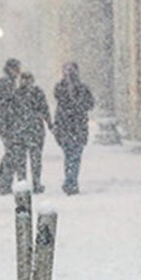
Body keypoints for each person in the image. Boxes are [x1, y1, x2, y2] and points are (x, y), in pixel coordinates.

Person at [53, 62, 94, 195]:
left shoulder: (62, 88)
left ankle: (70, 181)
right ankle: (71, 182)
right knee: (74, 157)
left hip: (69, 127)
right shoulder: (79, 89)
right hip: (75, 127)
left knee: (70, 156)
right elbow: (89, 104)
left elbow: (88, 104)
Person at [10, 72, 53, 194]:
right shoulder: (36, 93)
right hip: (34, 131)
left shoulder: (16, 94)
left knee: (23, 160)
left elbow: (10, 113)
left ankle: (24, 184)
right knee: (34, 160)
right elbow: (45, 109)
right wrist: (49, 123)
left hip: (21, 131)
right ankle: (35, 183)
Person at [0, 58, 22, 194]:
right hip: (6, 123)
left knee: (11, 153)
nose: (19, 71)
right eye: (17, 68)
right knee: (12, 153)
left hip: (6, 123)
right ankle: (3, 183)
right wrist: (8, 108)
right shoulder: (5, 83)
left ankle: (0, 182)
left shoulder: (10, 82)